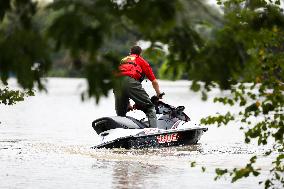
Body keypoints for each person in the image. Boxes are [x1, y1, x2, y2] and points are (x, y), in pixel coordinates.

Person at [113, 45, 163, 128]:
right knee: (150, 108)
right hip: (130, 81)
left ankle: (120, 131)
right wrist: (158, 94)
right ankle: (153, 132)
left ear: (130, 52)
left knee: (121, 113)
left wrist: (127, 103)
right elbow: (154, 81)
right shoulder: (141, 61)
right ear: (140, 53)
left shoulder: (123, 60)